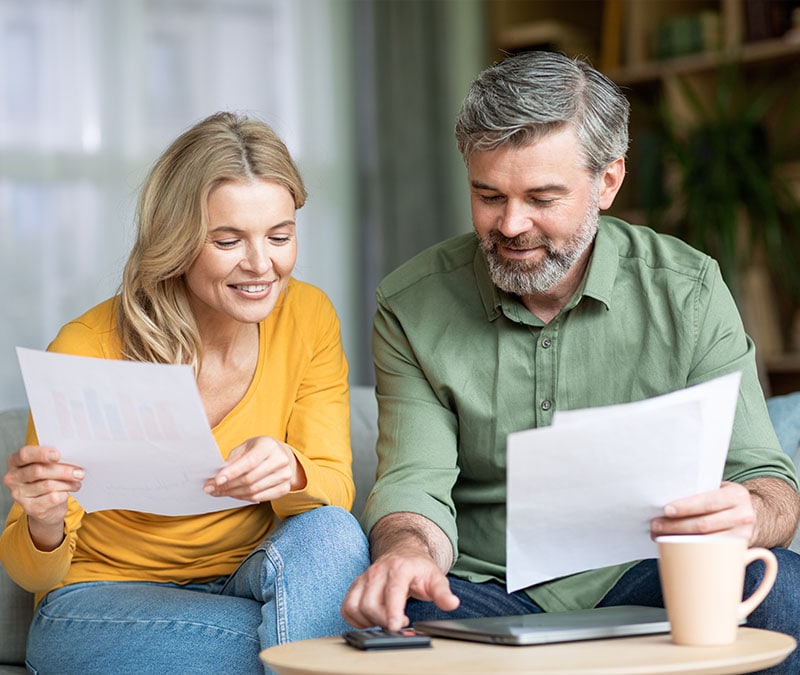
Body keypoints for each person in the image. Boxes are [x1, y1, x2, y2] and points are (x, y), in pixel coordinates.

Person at [341, 51, 800, 672]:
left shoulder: (688, 290)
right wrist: (406, 554)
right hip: (485, 586)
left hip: (651, 572)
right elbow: (414, 485)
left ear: (608, 182)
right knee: (406, 610)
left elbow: (768, 481)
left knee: (782, 587)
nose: (511, 224)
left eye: (542, 197)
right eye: (488, 195)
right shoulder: (411, 306)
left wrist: (750, 512)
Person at [0, 111, 369, 674]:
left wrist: (293, 472)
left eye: (280, 236)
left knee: (334, 531)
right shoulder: (86, 347)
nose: (261, 265)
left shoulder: (308, 316)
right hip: (101, 603)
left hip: (246, 579)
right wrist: (44, 522)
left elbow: (334, 490)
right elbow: (33, 574)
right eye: (227, 240)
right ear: (177, 242)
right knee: (317, 645)